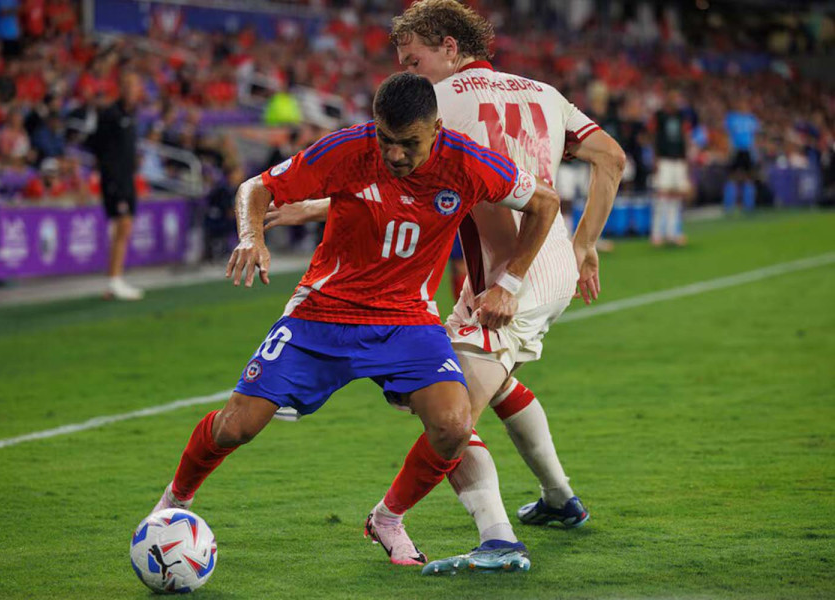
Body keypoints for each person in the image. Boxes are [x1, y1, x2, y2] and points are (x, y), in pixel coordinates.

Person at [264, 0, 625, 574]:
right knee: (491, 384)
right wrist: (582, 245)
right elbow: (611, 157)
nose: (408, 76)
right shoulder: (543, 93)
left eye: (415, 60)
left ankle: (494, 539)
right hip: (547, 256)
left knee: (447, 411)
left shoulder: (441, 106)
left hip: (512, 272)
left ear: (450, 49)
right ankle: (560, 500)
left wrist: (307, 204)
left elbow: (383, 173)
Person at [151, 72, 561, 575]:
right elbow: (256, 188)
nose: (394, 154)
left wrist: (511, 284)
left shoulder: (469, 163)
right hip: (323, 312)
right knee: (237, 426)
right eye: (386, 140)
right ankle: (173, 502)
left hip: (407, 319)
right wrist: (250, 237)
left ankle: (388, 519)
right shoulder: (346, 149)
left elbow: (544, 203)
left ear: (435, 128)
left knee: (454, 425)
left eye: (408, 143)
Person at [89, 71, 143, 301]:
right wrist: (109, 176)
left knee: (126, 228)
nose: (133, 91)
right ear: (121, 88)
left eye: (135, 86)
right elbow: (96, 145)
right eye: (128, 85)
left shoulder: (132, 114)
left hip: (128, 179)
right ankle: (113, 279)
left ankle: (115, 278)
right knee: (121, 227)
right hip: (115, 180)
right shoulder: (110, 114)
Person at [650, 89, 690, 246]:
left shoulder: (681, 116)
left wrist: (686, 159)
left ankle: (672, 232)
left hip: (678, 159)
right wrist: (655, 158)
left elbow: (684, 137)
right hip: (664, 159)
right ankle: (657, 234)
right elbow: (654, 137)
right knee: (662, 196)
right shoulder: (659, 116)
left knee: (676, 197)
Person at [723, 99, 760, 213]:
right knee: (732, 177)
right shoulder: (732, 118)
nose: (743, 106)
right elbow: (727, 135)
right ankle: (729, 206)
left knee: (749, 177)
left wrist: (755, 151)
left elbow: (755, 136)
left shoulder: (752, 119)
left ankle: (748, 206)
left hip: (748, 150)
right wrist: (728, 150)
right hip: (736, 150)